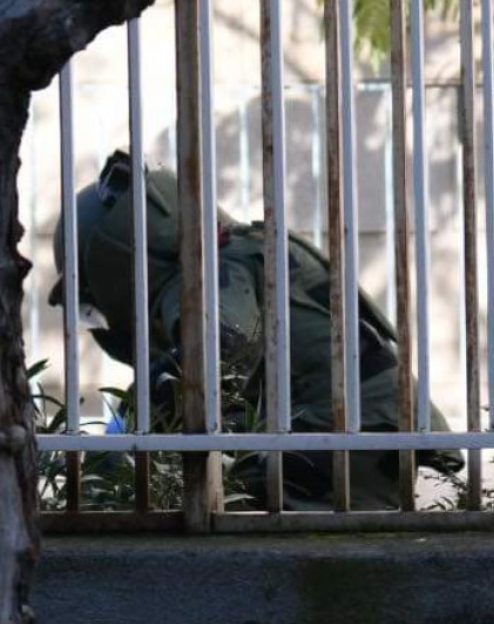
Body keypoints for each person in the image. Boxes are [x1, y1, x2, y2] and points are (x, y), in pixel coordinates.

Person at [49, 150, 462, 509]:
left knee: (199, 510)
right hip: (363, 433)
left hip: (336, 439)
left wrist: (118, 451)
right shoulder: (245, 248)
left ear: (117, 260)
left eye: (93, 309)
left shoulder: (207, 274)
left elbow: (223, 345)